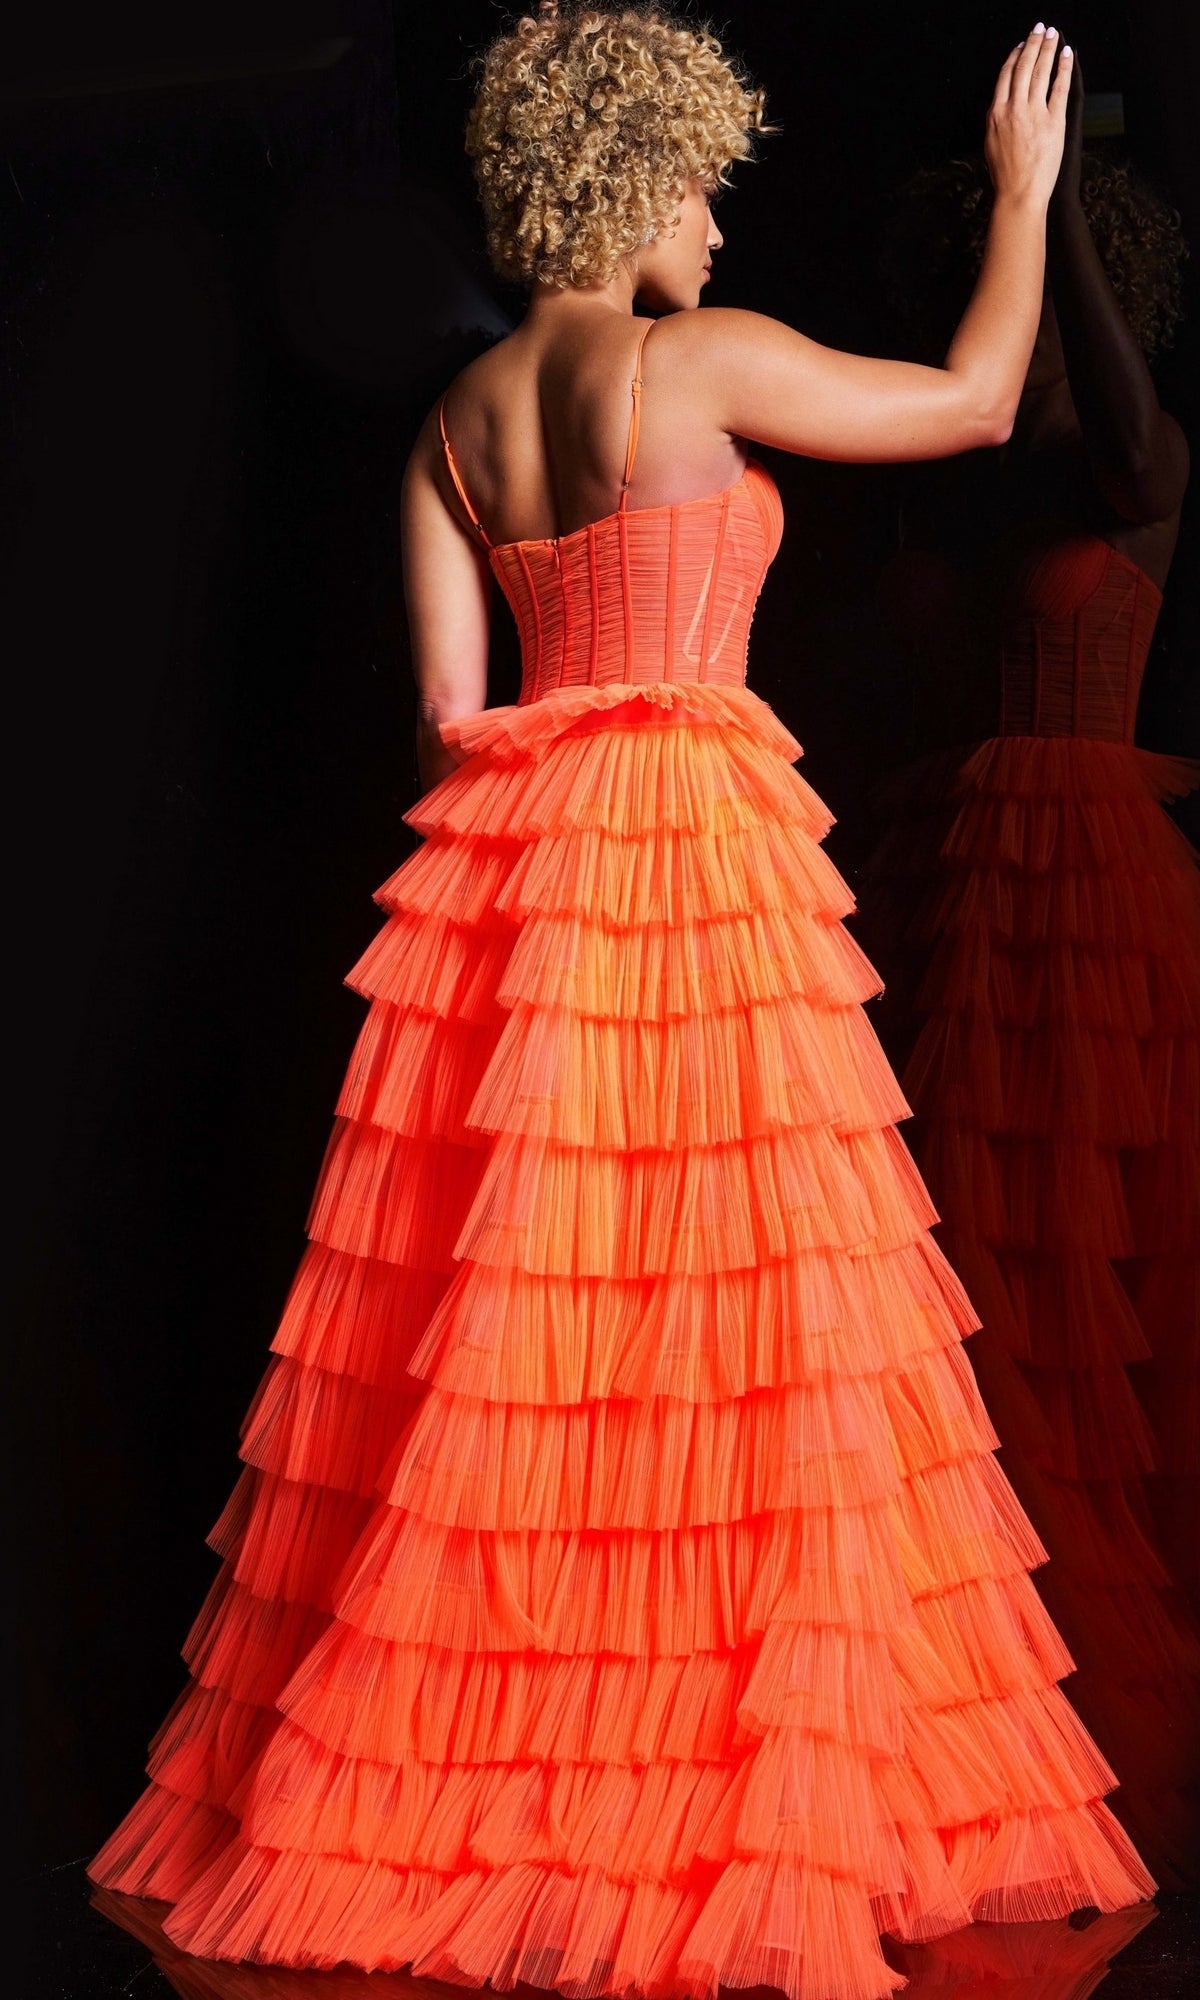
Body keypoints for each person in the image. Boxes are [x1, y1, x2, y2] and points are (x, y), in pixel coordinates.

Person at [88, 10, 1154, 1997]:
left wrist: (537, 850)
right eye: (704, 182)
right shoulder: (697, 361)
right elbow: (981, 403)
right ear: (632, 176)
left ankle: (513, 1772)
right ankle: (703, 1783)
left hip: (527, 880)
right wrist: (1026, 198)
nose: (720, 217)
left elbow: (441, 728)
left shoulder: (451, 425)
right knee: (732, 1320)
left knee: (528, 1330)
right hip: (699, 858)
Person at [857, 55, 1200, 1887]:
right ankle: (947, 1713)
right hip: (943, 896)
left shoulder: (1134, 465)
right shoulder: (962, 480)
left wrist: (1051, 201)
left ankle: (1081, 1739)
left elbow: (1137, 448)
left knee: (1077, 1300)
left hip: (1086, 915)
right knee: (955, 1311)